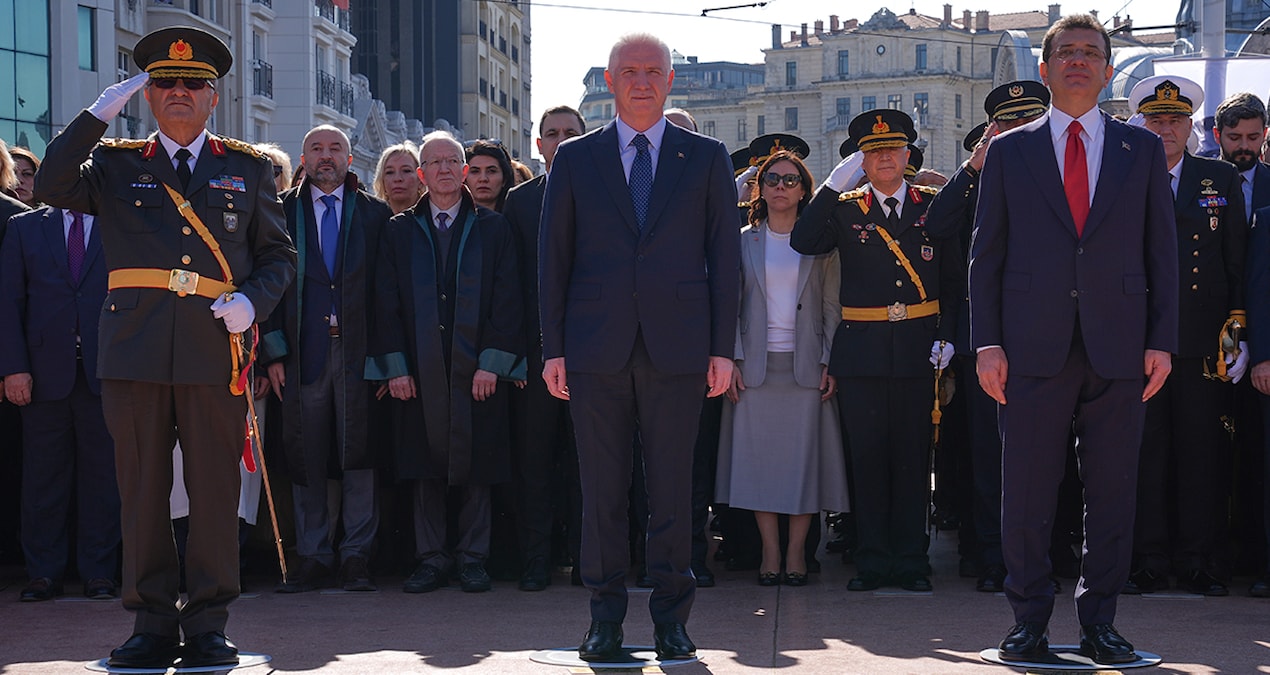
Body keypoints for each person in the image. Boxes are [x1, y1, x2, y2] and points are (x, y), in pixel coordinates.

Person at [33, 26, 296, 669]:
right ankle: (149, 623)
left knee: (211, 494)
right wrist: (94, 117)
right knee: (142, 492)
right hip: (134, 350)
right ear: (148, 96)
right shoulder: (118, 164)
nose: (178, 93)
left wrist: (251, 303)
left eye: (193, 84)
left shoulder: (248, 167)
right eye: (165, 83)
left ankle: (208, 622)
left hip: (212, 349)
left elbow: (278, 257)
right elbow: (50, 185)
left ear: (213, 99)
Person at [970, 15, 1178, 665]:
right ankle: (1028, 620)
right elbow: (986, 257)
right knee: (1027, 494)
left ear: (1109, 69)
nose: (1080, 61)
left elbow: (1161, 254)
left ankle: (1101, 622)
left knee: (1112, 493)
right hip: (1031, 347)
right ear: (1046, 68)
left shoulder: (1139, 149)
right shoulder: (1010, 149)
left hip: (1120, 347)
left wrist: (1162, 339)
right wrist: (986, 343)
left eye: (1092, 53)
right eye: (1068, 52)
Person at [539, 33, 740, 662]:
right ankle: (603, 620)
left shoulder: (706, 158)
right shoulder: (574, 159)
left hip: (679, 349)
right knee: (601, 492)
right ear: (609, 79)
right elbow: (554, 261)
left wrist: (721, 348)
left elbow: (724, 260)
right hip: (595, 350)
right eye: (630, 71)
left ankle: (672, 622)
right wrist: (553, 349)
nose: (643, 81)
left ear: (671, 80)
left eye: (654, 71)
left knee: (675, 492)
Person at [792, 109, 960, 594]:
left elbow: (950, 278)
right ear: (862, 161)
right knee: (865, 458)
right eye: (874, 151)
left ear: (908, 154)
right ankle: (870, 560)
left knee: (912, 459)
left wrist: (946, 334)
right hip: (862, 351)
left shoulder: (932, 206)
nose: (885, 157)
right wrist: (829, 185)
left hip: (918, 348)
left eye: (893, 149)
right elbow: (805, 241)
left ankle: (911, 560)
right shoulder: (844, 209)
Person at [371, 130, 524, 595]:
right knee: (422, 466)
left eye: (451, 161)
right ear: (421, 174)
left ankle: (473, 558)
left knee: (477, 465)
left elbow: (507, 299)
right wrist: (395, 367)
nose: (442, 169)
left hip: (475, 368)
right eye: (433, 162)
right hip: (420, 370)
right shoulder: (399, 231)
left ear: (464, 170)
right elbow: (385, 302)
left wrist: (491, 364)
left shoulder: (493, 228)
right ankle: (431, 558)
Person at [925, 79, 1051, 593]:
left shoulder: (1067, 167)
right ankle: (991, 554)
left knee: (1048, 454)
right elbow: (935, 225)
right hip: (989, 333)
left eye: (1029, 120)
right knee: (987, 453)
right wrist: (973, 166)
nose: (1020, 131)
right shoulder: (979, 178)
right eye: (1009, 124)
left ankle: (1043, 553)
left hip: (1051, 330)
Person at [1124, 76, 1246, 598]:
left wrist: (1237, 334)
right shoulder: (1124, 175)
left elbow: (1236, 262)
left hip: (1202, 342)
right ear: (1142, 125)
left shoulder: (1217, 177)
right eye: (1156, 120)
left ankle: (1199, 558)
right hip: (1138, 339)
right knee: (1144, 453)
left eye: (1175, 120)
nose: (1166, 128)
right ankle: (1147, 557)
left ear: (1191, 126)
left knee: (1201, 453)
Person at [263, 125, 391, 594]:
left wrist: (386, 360)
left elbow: (388, 293)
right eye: (316, 148)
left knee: (359, 453)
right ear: (303, 157)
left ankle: (356, 555)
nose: (326, 156)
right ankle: (313, 555)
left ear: (350, 158)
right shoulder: (279, 212)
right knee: (306, 453)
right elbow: (267, 286)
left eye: (335, 148)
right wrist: (272, 353)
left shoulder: (375, 216)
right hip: (301, 351)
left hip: (359, 353)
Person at [717, 142, 847, 587]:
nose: (780, 187)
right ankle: (769, 552)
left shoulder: (822, 243)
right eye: (772, 179)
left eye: (790, 180)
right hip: (754, 369)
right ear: (760, 188)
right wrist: (732, 358)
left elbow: (833, 308)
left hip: (806, 367)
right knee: (759, 466)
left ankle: (796, 553)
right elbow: (729, 306)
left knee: (803, 466)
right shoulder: (742, 241)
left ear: (803, 189)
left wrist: (830, 360)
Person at [1, 203, 120, 602]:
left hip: (106, 373)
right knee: (42, 480)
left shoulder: (119, 222)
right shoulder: (24, 227)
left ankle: (100, 572)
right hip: (41, 375)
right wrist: (13, 368)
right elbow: (8, 302)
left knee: (103, 479)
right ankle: (43, 574)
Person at [503, 105, 585, 591]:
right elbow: (511, 284)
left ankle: (584, 559)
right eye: (551, 134)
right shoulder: (519, 201)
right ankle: (536, 559)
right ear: (539, 145)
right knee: (533, 462)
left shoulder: (604, 193)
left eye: (570, 133)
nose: (560, 140)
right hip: (534, 357)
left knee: (587, 463)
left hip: (595, 354)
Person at [372, 142, 425, 215]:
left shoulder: (435, 220)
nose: (397, 179)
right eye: (390, 172)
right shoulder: (369, 222)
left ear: (420, 178)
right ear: (382, 180)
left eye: (406, 171)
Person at [464, 139, 514, 212]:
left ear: (504, 179)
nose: (483, 179)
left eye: (491, 171)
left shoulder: (520, 219)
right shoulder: (450, 219)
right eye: (475, 171)